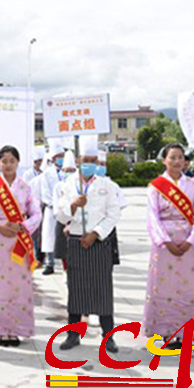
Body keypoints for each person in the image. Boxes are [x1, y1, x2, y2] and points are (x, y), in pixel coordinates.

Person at [56, 136, 121, 353]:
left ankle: (108, 336)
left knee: (103, 291)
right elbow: (61, 216)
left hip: (99, 243)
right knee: (76, 291)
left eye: (93, 160)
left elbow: (113, 214)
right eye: (86, 160)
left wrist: (95, 233)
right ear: (78, 160)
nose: (89, 164)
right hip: (76, 243)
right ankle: (73, 335)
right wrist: (73, 205)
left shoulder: (107, 185)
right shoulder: (67, 185)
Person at [0, 145, 41, 346]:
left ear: (18, 163)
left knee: (20, 285)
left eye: (12, 161)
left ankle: (17, 329)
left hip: (19, 240)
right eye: (4, 161)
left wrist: (23, 226)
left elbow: (36, 214)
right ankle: (1, 330)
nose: (8, 165)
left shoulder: (25, 187)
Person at [144, 143, 194, 348]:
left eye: (180, 157)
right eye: (172, 157)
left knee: (188, 288)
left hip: (189, 242)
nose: (177, 161)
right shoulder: (155, 186)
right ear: (164, 160)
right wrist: (165, 241)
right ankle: (166, 331)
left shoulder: (193, 185)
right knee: (165, 286)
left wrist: (191, 240)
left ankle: (187, 331)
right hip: (164, 245)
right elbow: (152, 217)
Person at [40, 140, 66, 274]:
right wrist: (54, 204)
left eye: (62, 156)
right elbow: (45, 193)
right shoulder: (47, 173)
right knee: (49, 236)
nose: (61, 158)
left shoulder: (69, 171)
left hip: (66, 210)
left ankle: (66, 264)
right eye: (59, 156)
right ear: (53, 158)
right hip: (51, 210)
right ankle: (50, 263)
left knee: (64, 236)